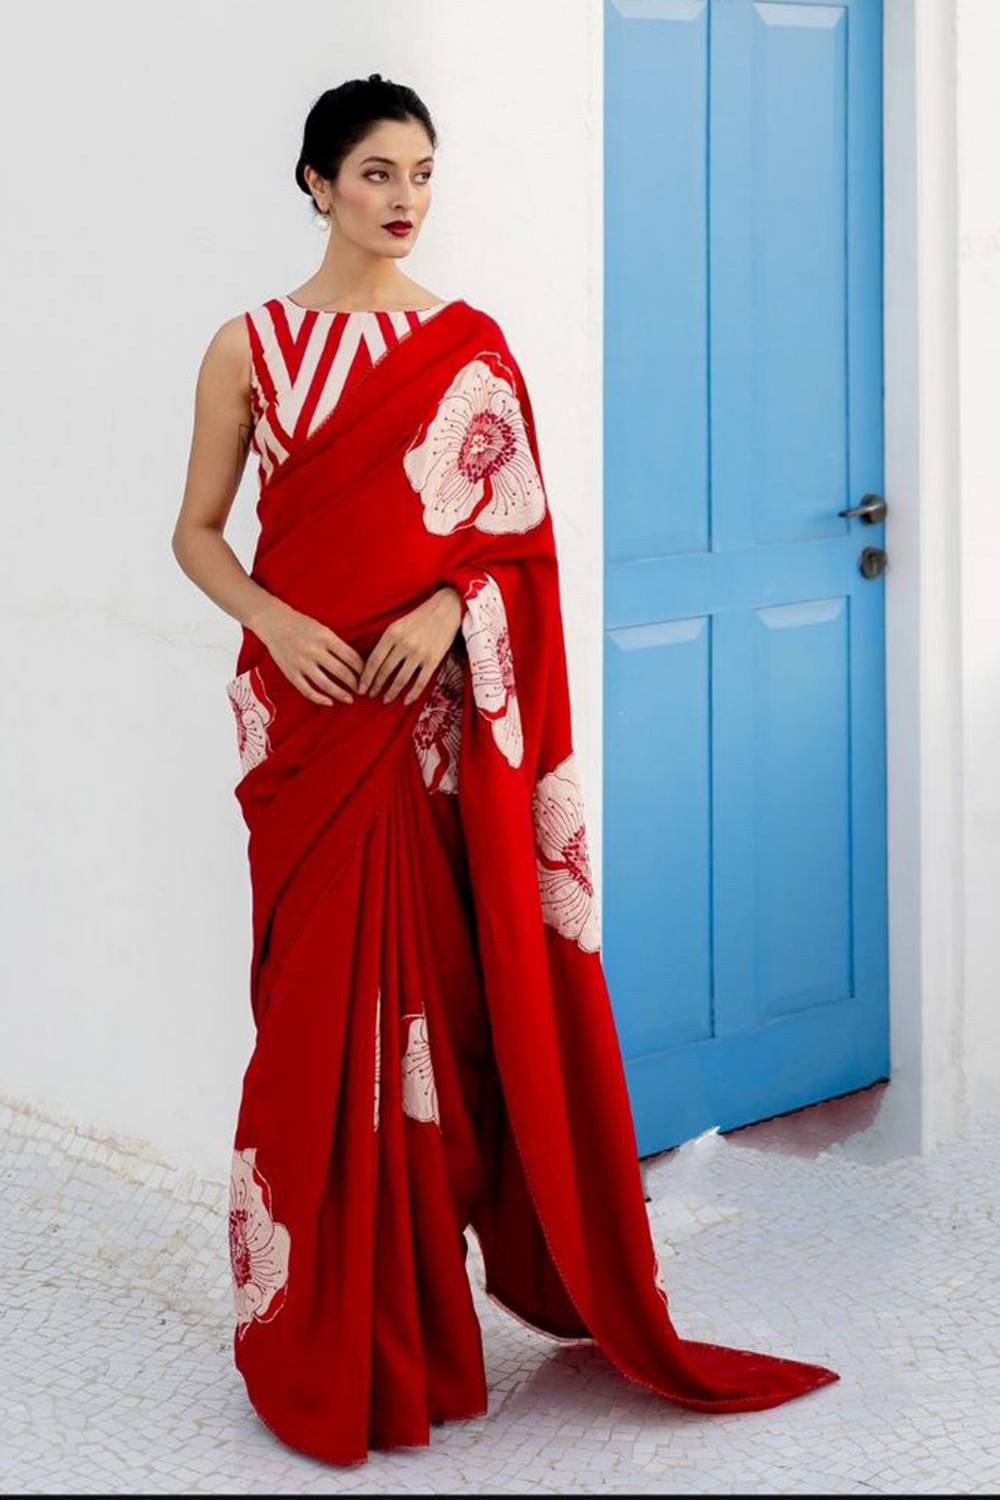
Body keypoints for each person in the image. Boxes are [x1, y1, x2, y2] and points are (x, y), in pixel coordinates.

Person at [171, 72, 838, 1469]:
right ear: (315, 184)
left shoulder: (466, 348)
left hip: (426, 737)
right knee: (311, 1029)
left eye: (422, 173)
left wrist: (447, 609)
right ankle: (317, 1333)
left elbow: (519, 555)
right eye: (376, 172)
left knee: (433, 1029)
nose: (404, 199)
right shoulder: (250, 347)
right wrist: (278, 624)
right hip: (307, 728)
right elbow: (198, 534)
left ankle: (419, 1331)